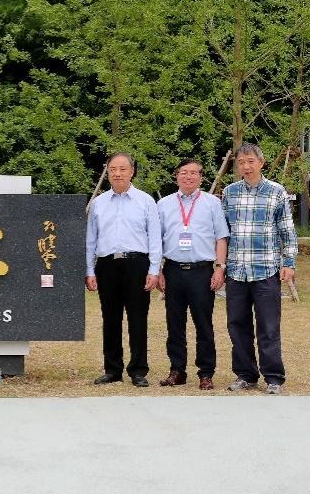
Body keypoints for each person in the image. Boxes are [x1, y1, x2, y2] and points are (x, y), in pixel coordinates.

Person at [222, 143, 298, 395]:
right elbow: (223, 233)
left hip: (266, 269)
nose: (246, 166)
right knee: (237, 325)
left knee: (268, 326)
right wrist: (220, 265)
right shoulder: (229, 192)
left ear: (261, 162)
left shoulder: (276, 191)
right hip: (236, 271)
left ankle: (274, 377)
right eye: (241, 162)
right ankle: (245, 375)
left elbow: (287, 230)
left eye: (250, 161)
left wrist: (289, 262)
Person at [85, 152, 162, 387]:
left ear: (132, 171)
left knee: (137, 318)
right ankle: (112, 369)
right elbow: (91, 240)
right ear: (107, 173)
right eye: (113, 170)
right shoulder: (98, 203)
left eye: (122, 169)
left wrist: (154, 270)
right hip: (107, 265)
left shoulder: (146, 201)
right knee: (110, 318)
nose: (117, 174)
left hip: (137, 264)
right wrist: (89, 270)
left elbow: (155, 238)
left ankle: (138, 370)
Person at [155, 159, 229, 390]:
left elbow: (221, 237)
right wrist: (158, 270)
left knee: (203, 324)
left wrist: (220, 267)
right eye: (184, 172)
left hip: (202, 271)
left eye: (194, 173)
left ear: (201, 177)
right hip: (173, 270)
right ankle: (177, 370)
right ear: (176, 175)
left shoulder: (212, 203)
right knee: (174, 324)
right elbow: (156, 240)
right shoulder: (164, 204)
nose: (188, 177)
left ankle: (206, 373)